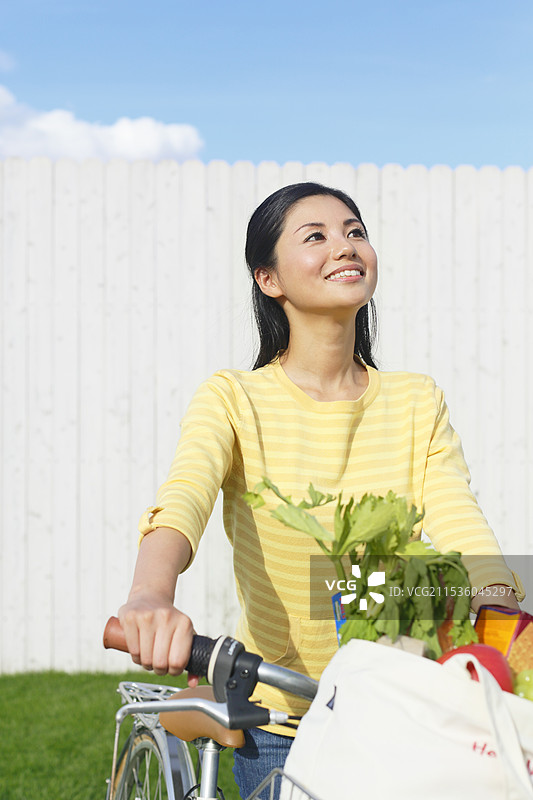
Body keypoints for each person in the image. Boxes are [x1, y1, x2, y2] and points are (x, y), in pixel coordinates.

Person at [118, 182, 523, 799]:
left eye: (355, 230)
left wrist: (504, 610)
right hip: (281, 716)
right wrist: (150, 595)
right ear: (268, 279)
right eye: (317, 237)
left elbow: (460, 520)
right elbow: (185, 498)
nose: (346, 245)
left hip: (394, 703)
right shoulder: (235, 398)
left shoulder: (416, 401)